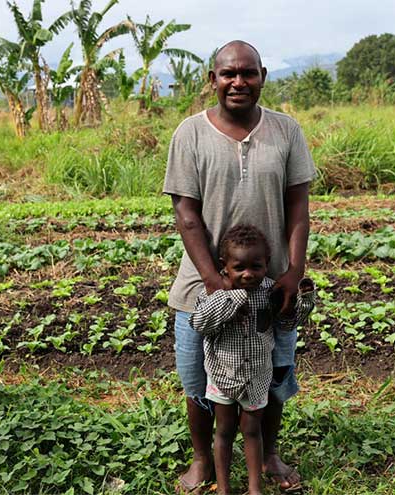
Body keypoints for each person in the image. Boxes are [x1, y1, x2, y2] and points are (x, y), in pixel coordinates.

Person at [162, 39, 317, 494]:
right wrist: (214, 282)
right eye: (228, 73)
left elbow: (298, 208)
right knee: (198, 380)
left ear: (262, 76)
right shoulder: (190, 134)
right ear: (213, 79)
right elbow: (187, 215)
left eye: (248, 73)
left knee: (272, 374)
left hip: (271, 287)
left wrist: (293, 272)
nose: (238, 82)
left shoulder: (286, 131)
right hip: (201, 288)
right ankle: (202, 460)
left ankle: (268, 454)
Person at [189, 224, 315, 495]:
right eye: (239, 268)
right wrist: (233, 298)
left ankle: (254, 488)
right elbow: (199, 323)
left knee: (252, 429)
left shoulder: (270, 292)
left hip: (257, 377)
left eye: (256, 267)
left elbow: (287, 323)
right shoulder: (214, 295)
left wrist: (303, 300)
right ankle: (224, 489)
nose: (248, 274)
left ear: (267, 263)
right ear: (224, 267)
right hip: (223, 375)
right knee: (223, 431)